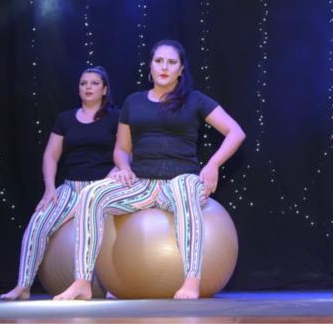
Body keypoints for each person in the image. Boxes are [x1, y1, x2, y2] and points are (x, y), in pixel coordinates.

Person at [55, 40, 245, 300]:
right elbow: (122, 149)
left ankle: (191, 281)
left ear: (181, 69)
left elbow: (236, 132)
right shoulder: (133, 102)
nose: (164, 67)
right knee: (90, 195)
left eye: (171, 62)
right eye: (159, 61)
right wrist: (123, 167)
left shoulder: (195, 100)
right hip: (142, 184)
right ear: (151, 66)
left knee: (185, 191)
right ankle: (82, 282)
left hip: (180, 181)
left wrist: (213, 165)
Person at [1, 66, 118, 300]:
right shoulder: (65, 118)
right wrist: (49, 189)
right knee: (38, 223)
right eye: (83, 83)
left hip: (102, 188)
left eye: (94, 83)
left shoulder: (116, 117)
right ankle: (23, 285)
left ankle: (114, 287)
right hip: (72, 187)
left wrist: (110, 178)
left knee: (105, 234)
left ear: (104, 89)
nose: (88, 87)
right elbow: (51, 155)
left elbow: (125, 153)